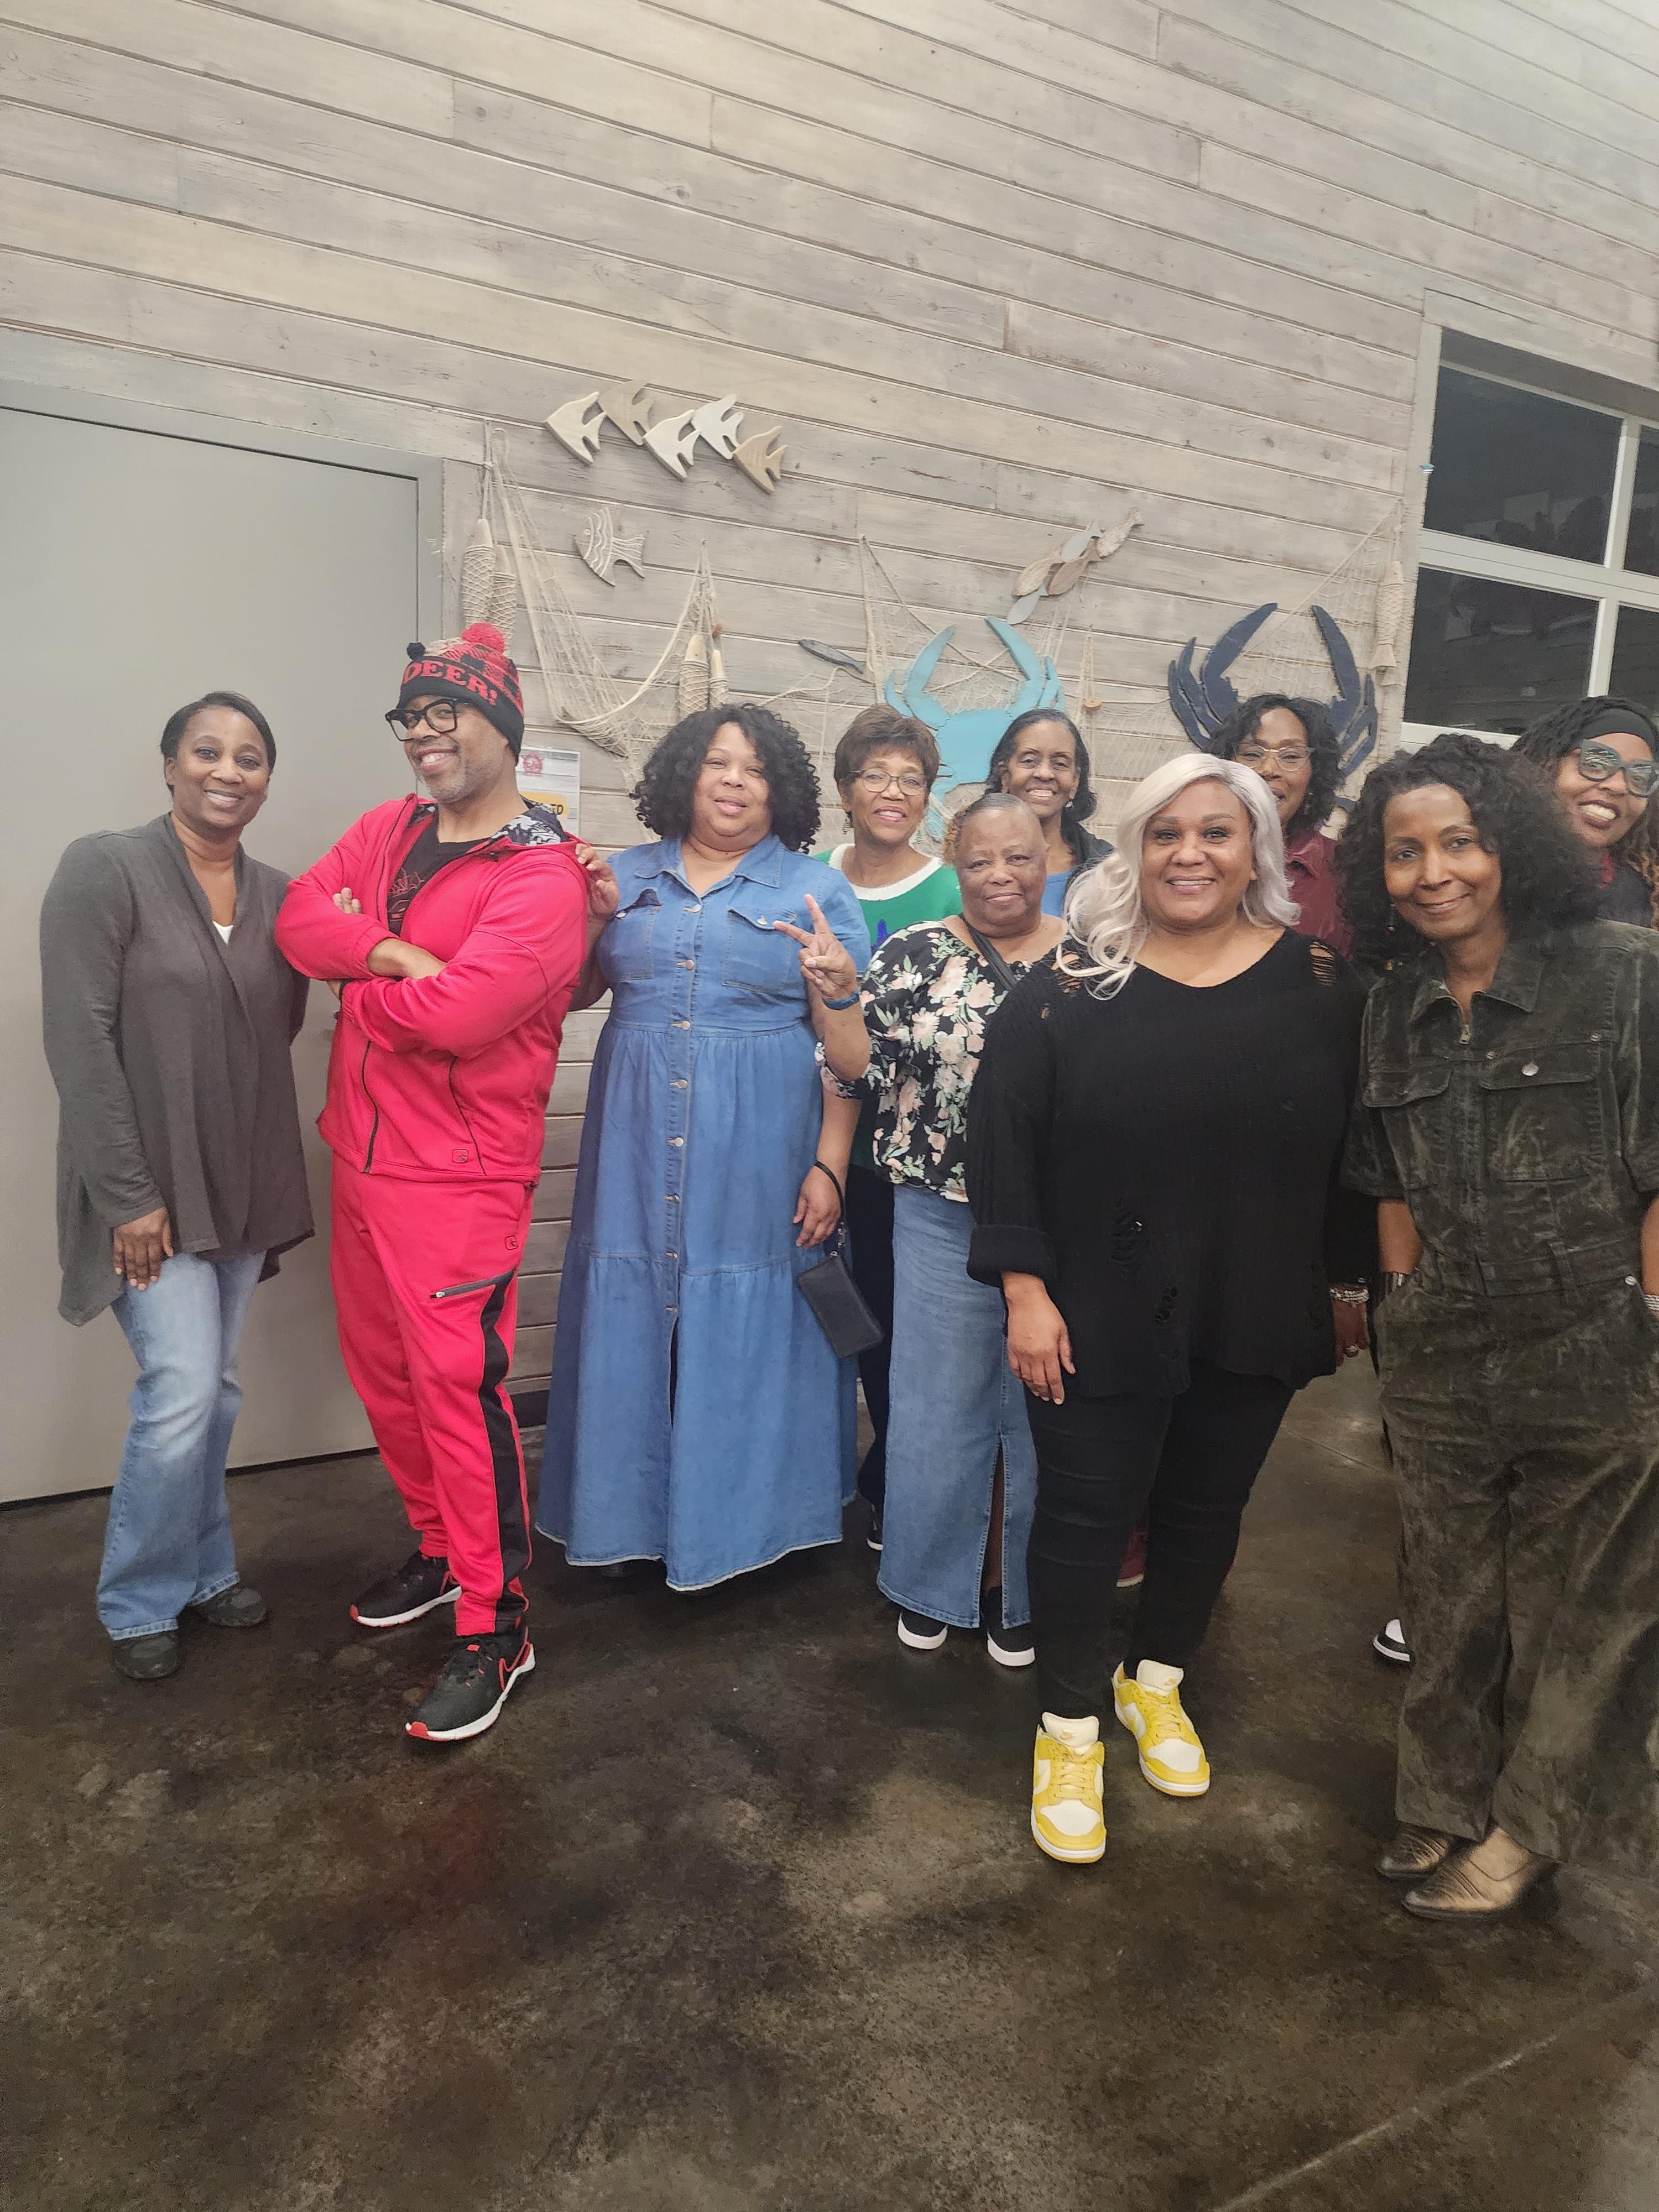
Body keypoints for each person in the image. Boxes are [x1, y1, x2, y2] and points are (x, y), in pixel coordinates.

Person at [965, 754, 1371, 1865]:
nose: (1190, 853)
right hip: (1093, 1306)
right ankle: (1067, 1725)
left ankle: (1155, 1682)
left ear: (1257, 852)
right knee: (1084, 1517)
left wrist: (1347, 1282)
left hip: (1256, 1296)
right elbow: (1003, 1142)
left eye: (1216, 832)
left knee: (1205, 1508)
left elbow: (1357, 1151)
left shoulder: (1323, 987)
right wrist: (1024, 1289)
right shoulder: (1069, 987)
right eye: (1166, 833)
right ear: (1135, 849)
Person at [1339, 732, 1659, 1921]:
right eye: (1405, 852)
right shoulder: (1394, 1007)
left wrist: (1650, 1317)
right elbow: (1388, 1180)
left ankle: (1531, 1825)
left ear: (1510, 846)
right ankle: (1442, 1796)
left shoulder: (1623, 973)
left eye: (1460, 843)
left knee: (1585, 1610)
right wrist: (1402, 1309)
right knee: (1447, 1590)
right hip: (1443, 1348)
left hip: (1596, 1342)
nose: (1435, 873)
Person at [276, 623, 590, 1743]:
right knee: (387, 1377)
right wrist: (389, 954)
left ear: (501, 724)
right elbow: (298, 917)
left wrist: (355, 981)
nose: (423, 735)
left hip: (457, 1179)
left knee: (460, 1392)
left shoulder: (544, 872)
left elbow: (462, 1017)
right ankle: (443, 1547)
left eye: (445, 713)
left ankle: (498, 1624)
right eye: (411, 718)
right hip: (361, 1156)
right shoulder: (389, 827)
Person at [538, 705, 870, 1592]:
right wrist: (588, 922)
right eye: (718, 762)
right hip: (635, 1142)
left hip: (764, 1145)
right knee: (631, 1306)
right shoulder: (623, 876)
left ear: (779, 789)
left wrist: (830, 1162)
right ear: (684, 773)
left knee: (755, 1318)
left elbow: (850, 1061)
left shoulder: (813, 891)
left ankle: (755, 1525)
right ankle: (623, 1519)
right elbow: (563, 997)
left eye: (755, 769)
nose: (733, 781)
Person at [40, 693, 312, 1682]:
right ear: (169, 765)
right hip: (146, 1191)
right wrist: (128, 1196)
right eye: (207, 751)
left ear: (266, 782)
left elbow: (276, 1027)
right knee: (184, 1389)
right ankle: (140, 1598)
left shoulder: (281, 895)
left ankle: (205, 1571)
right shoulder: (104, 869)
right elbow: (78, 1042)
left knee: (214, 1391)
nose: (228, 771)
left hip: (239, 1183)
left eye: (250, 757)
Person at [810, 793, 1059, 1662]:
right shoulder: (915, 952)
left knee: (1041, 1407)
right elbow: (856, 1068)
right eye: (980, 859)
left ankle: (1017, 1589)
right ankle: (930, 1585)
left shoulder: (1091, 960)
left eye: (1019, 857)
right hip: (936, 1214)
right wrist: (841, 996)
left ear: (1048, 859)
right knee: (934, 1407)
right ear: (956, 863)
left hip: (1055, 1221)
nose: (1000, 875)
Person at [814, 705, 961, 1550]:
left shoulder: (949, 890)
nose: (893, 791)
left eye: (912, 779)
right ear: (845, 790)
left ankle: (892, 1479)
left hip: (895, 1156)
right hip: (804, 1134)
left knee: (891, 1327)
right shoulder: (810, 877)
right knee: (823, 1315)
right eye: (876, 774)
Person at [1212, 692, 1350, 955]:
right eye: (1252, 754)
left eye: (1291, 757)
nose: (1269, 769)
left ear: (1314, 775)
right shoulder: (1192, 855)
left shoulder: (1344, 869)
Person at [1512, 695, 1659, 926]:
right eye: (1596, 763)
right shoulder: (1484, 877)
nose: (1619, 786)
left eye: (1640, 777)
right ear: (1543, 765)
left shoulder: (1649, 902)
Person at [986, 708, 1111, 916]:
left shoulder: (1108, 871)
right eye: (1029, 761)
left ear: (1075, 781)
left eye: (1060, 764)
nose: (1044, 774)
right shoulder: (967, 862)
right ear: (1005, 775)